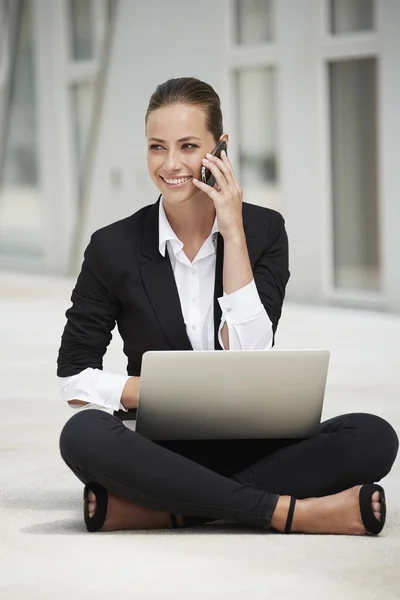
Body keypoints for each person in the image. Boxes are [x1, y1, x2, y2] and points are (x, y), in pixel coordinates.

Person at [58, 77, 398, 535]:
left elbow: (250, 350)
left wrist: (232, 232)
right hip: (161, 447)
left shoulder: (264, 231)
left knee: (372, 436)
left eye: (188, 145)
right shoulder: (112, 246)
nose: (171, 164)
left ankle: (167, 509)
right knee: (82, 435)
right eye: (157, 147)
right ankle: (286, 513)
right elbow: (75, 375)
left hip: (254, 441)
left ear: (220, 147)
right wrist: (161, 393)